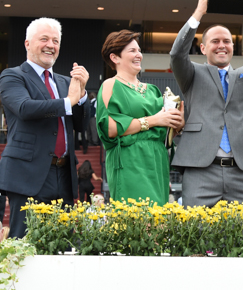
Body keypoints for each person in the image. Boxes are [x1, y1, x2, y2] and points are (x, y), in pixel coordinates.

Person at [170, 0, 243, 207]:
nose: (222, 46)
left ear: (233, 46)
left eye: (227, 41)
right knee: (197, 234)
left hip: (242, 169)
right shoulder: (191, 73)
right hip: (201, 169)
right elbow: (176, 54)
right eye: (215, 41)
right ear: (202, 48)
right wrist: (199, 11)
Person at [0, 17, 89, 238]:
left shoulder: (64, 82)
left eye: (56, 41)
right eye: (44, 39)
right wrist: (69, 101)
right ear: (27, 44)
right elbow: (24, 108)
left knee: (62, 244)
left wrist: (84, 94)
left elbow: (80, 124)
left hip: (64, 173)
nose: (51, 45)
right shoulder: (12, 76)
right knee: (24, 243)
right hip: (28, 174)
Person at [98, 30, 184, 206]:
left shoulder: (152, 90)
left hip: (157, 159)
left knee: (158, 223)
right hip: (130, 160)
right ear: (115, 58)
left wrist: (176, 124)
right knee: (136, 222)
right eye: (132, 51)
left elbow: (163, 134)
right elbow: (111, 129)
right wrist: (155, 120)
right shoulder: (111, 85)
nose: (139, 55)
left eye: (139, 50)